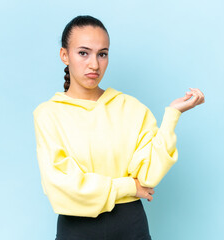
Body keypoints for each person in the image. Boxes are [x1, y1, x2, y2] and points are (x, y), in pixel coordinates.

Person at [33, 15, 205, 240]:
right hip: (76, 230)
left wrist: (173, 115)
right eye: (83, 53)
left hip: (130, 226)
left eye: (102, 54)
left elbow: (148, 176)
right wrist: (128, 187)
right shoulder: (48, 114)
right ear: (64, 55)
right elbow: (62, 188)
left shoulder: (131, 108)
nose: (94, 64)